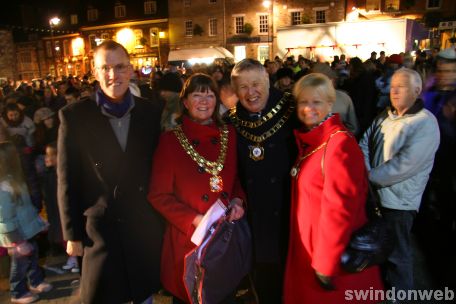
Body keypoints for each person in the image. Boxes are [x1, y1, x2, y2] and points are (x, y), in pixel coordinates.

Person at [57, 40, 164, 304]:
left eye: (119, 67)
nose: (112, 75)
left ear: (130, 70)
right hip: (100, 230)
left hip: (141, 225)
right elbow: (66, 178)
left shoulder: (150, 113)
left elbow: (157, 171)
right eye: (105, 68)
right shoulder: (74, 116)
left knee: (143, 296)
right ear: (94, 73)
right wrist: (72, 234)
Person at [284, 73, 383, 303]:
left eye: (316, 102)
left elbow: (340, 210)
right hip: (311, 252)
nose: (309, 108)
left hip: (331, 261)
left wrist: (326, 263)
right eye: (303, 102)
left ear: (330, 103)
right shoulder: (314, 141)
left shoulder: (339, 144)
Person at [148, 73, 246, 303]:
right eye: (197, 95)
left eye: (210, 95)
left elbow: (237, 180)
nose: (204, 101)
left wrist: (238, 200)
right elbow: (158, 195)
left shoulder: (229, 134)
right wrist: (195, 219)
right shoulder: (170, 141)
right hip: (189, 241)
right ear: (185, 102)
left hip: (224, 239)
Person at [359, 68, 440, 293]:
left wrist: (367, 178)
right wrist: (364, 173)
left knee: (398, 255)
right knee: (379, 251)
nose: (394, 91)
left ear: (416, 90)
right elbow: (364, 143)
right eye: (392, 85)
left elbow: (404, 165)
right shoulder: (385, 115)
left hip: (399, 203)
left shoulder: (425, 123)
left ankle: (401, 294)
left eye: (401, 86)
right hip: (376, 196)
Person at [228, 58, 298, 303]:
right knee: (265, 287)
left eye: (256, 84)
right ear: (235, 91)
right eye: (243, 87)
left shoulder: (295, 109)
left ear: (268, 81)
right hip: (255, 222)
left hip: (293, 216)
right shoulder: (231, 122)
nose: (251, 92)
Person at [0, 141, 52, 304]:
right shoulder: (4, 187)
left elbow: (25, 206)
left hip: (27, 230)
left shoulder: (14, 179)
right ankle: (18, 292)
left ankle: (35, 281)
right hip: (17, 235)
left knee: (33, 255)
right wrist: (17, 241)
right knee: (20, 264)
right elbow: (4, 217)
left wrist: (38, 221)